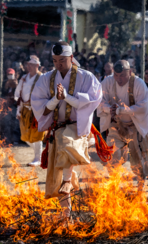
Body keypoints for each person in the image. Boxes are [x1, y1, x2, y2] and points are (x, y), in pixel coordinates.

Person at [31, 41, 102, 223]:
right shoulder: (46, 79)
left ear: (71, 57)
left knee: (66, 141)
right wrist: (56, 98)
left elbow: (89, 103)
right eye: (55, 60)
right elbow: (41, 110)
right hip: (58, 127)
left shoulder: (86, 77)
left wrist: (67, 97)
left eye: (62, 60)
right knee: (56, 178)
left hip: (77, 129)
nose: (58, 64)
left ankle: (68, 180)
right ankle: (67, 216)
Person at [98, 60, 148, 191]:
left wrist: (121, 110)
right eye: (116, 75)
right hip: (116, 126)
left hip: (135, 126)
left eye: (122, 75)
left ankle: (141, 185)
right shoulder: (107, 82)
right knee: (112, 155)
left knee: (138, 157)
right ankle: (114, 186)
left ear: (130, 72)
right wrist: (109, 109)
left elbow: (143, 106)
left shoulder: (139, 83)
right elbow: (99, 100)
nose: (119, 79)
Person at [14, 55, 44, 166]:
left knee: (37, 134)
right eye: (28, 64)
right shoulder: (24, 78)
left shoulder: (42, 78)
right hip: (25, 110)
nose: (28, 66)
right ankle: (40, 153)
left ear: (37, 65)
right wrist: (19, 110)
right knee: (25, 136)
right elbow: (18, 95)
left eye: (31, 64)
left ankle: (38, 158)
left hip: (37, 110)